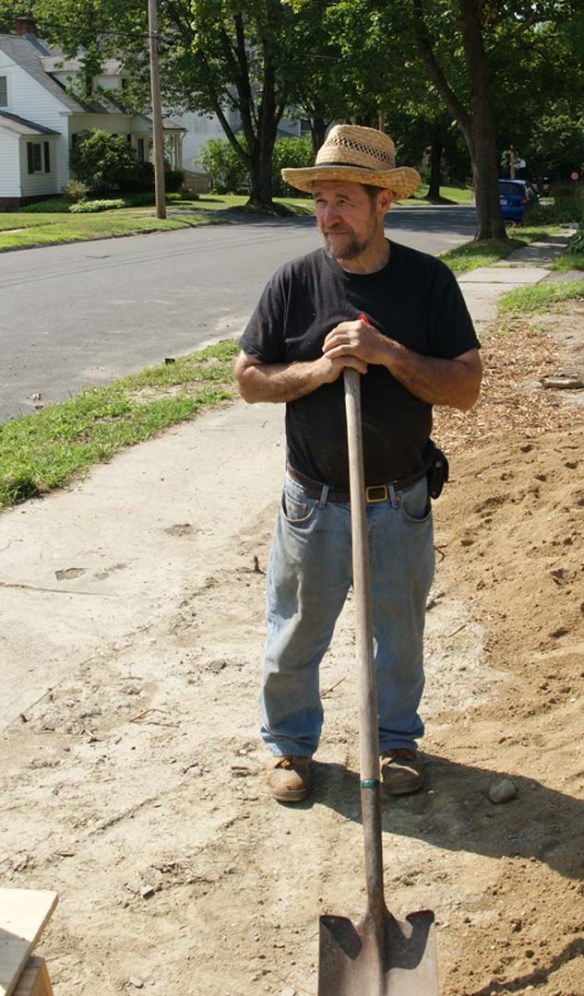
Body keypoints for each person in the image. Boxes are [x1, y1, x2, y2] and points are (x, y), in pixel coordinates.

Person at [234, 124, 482, 803]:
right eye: (320, 200)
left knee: (397, 638)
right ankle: (289, 748)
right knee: (294, 634)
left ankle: (395, 741)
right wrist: (318, 370)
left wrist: (391, 355)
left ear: (383, 204)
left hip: (398, 501)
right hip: (313, 502)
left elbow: (466, 389)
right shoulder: (295, 283)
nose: (328, 215)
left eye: (343, 199)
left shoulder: (428, 283)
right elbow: (249, 379)